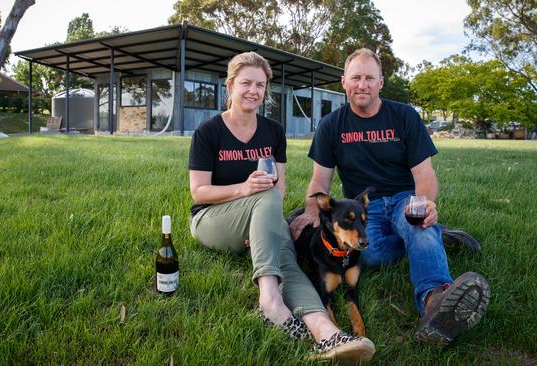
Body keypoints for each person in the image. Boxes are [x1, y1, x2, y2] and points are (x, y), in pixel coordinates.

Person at [289, 48, 490, 346]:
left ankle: (435, 301)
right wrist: (310, 210)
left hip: (403, 198)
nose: (362, 84)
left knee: (419, 226)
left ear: (381, 82)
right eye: (356, 77)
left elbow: (424, 175)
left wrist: (426, 204)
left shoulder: (404, 116)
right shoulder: (332, 125)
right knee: (368, 254)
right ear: (343, 81)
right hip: (363, 207)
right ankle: (439, 238)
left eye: (370, 77)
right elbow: (320, 178)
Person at [188, 51, 375, 363]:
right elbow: (199, 193)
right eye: (246, 83)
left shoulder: (273, 131)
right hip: (213, 219)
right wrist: (244, 188)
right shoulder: (209, 131)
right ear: (230, 86)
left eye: (260, 85)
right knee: (265, 197)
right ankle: (270, 298)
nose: (253, 91)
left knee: (285, 254)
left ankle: (326, 332)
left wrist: (265, 221)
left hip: (260, 216)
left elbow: (281, 185)